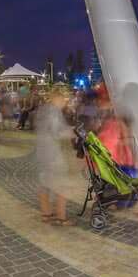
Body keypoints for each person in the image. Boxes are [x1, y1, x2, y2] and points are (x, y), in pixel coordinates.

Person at [34, 94, 79, 224]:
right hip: (52, 153)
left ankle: (46, 214)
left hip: (42, 152)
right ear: (57, 100)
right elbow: (57, 132)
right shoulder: (54, 113)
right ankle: (61, 217)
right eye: (63, 100)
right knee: (62, 183)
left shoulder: (43, 110)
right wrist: (71, 132)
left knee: (44, 183)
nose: (65, 103)